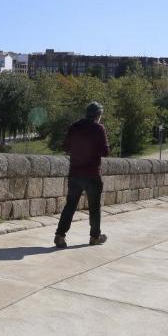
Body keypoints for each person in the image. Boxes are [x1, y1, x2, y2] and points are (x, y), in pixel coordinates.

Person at [54, 102, 109, 248]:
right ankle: (95, 237)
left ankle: (60, 235)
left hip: (75, 173)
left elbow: (65, 146)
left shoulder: (74, 126)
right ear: (98, 115)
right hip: (92, 174)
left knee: (70, 206)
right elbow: (105, 151)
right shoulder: (99, 128)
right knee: (94, 208)